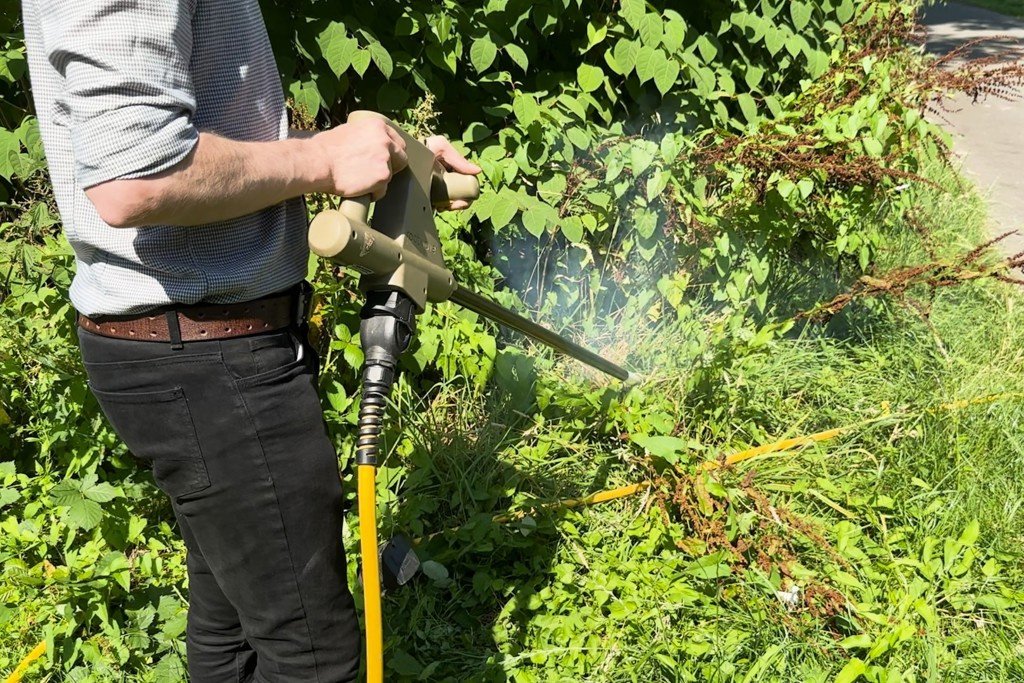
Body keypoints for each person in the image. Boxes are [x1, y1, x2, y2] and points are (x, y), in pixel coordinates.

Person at [20, 1, 480, 680]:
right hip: (205, 357)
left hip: (197, 346)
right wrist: (325, 157)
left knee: (230, 621)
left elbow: (200, 136)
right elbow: (136, 174)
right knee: (312, 658)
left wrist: (385, 160)